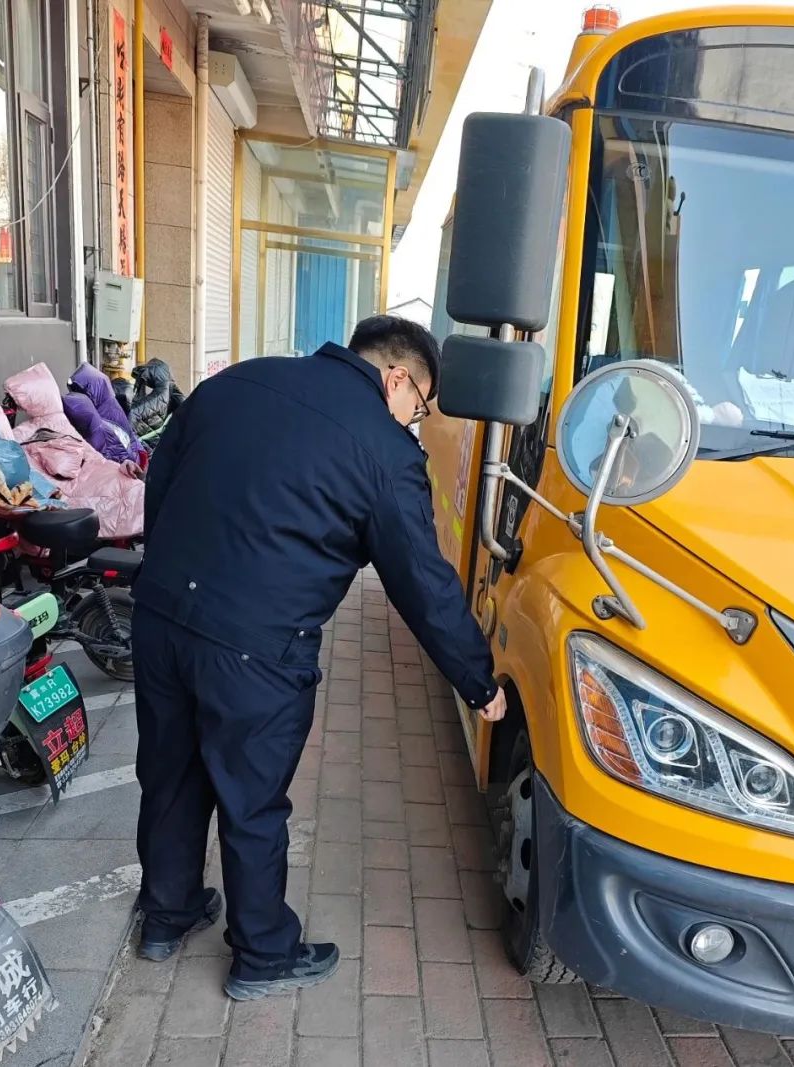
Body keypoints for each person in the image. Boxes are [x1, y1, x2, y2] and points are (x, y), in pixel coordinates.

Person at [131, 315, 506, 1001]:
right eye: (419, 407)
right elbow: (421, 581)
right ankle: (263, 952)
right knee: (250, 801)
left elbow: (164, 476)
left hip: (160, 620)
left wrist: (169, 574)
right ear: (396, 377)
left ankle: (166, 914)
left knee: (170, 773)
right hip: (256, 648)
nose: (416, 422)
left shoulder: (240, 378)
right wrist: (478, 682)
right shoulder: (384, 452)